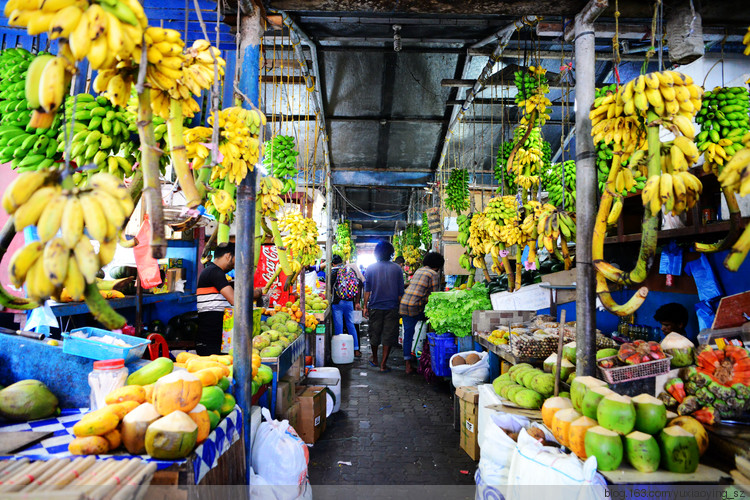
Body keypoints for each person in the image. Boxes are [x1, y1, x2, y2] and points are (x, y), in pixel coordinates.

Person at [196, 243, 261, 354]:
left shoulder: (212, 271)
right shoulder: (215, 272)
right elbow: (235, 300)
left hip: (213, 337)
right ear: (228, 256)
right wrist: (256, 293)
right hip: (211, 340)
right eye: (236, 259)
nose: (235, 265)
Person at [399, 252, 444, 374]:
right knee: (432, 326)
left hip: (404, 304)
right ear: (438, 265)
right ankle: (427, 356)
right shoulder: (433, 274)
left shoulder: (419, 270)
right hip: (415, 307)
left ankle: (408, 363)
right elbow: (435, 296)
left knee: (408, 334)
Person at [363, 241, 404, 373]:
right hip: (392, 307)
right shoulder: (397, 268)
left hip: (375, 306)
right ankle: (383, 364)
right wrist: (401, 307)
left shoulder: (370, 268)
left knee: (374, 333)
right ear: (391, 254)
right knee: (388, 335)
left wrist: (365, 306)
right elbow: (400, 292)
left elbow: (367, 290)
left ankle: (375, 358)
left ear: (376, 254)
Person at [331, 254, 366, 358]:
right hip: (349, 302)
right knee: (351, 325)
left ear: (333, 263)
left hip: (338, 303)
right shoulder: (349, 270)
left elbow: (330, 287)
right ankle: (356, 350)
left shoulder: (334, 272)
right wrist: (356, 301)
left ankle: (339, 352)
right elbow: (359, 283)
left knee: (339, 327)